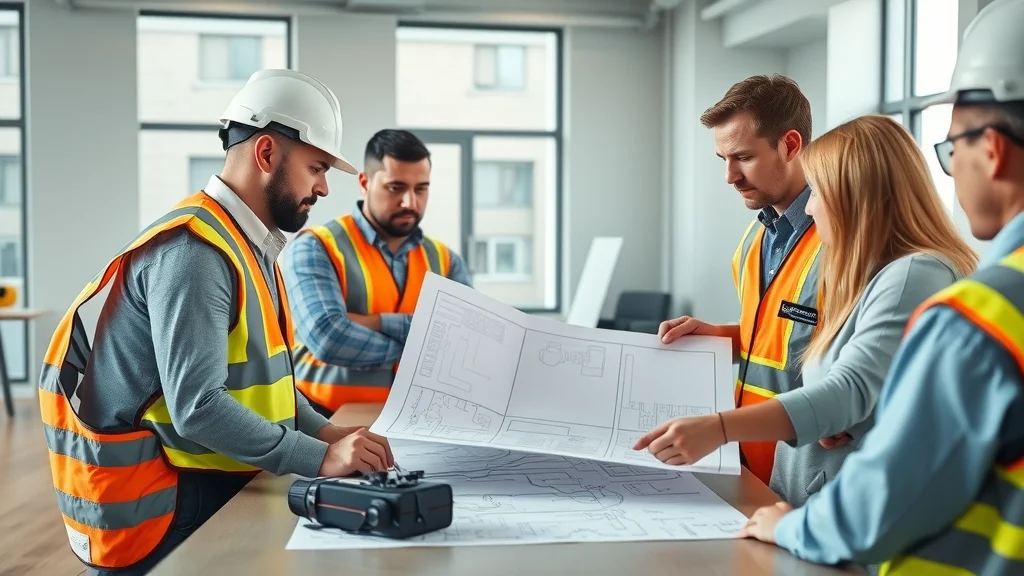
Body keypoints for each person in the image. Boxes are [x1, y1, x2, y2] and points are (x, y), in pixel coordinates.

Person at [38, 69, 394, 576]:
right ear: (267, 153)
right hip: (162, 505)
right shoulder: (197, 253)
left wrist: (328, 434)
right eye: (317, 168)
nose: (322, 188)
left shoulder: (246, 243)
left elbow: (263, 384)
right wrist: (317, 460)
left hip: (205, 475)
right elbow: (198, 408)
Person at [737, 2, 1024, 574]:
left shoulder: (982, 314)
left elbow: (876, 512)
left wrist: (788, 524)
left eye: (950, 150)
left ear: (990, 151)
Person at [635, 115, 977, 511]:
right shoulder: (869, 272)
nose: (810, 209)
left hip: (843, 513)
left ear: (854, 198)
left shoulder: (913, 274)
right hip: (798, 497)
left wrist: (719, 427)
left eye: (819, 193)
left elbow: (849, 391)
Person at [656, 74, 824, 485]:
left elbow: (852, 368)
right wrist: (717, 335)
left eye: (743, 158)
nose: (729, 176)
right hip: (745, 466)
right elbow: (779, 337)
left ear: (789, 145)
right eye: (723, 160)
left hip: (807, 474)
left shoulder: (841, 241)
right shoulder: (754, 237)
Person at [283, 128, 472, 417]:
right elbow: (329, 338)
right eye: (396, 188)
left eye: (421, 188)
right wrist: (428, 348)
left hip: (417, 422)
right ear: (365, 182)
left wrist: (373, 322)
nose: (410, 202)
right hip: (322, 423)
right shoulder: (317, 247)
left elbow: (466, 347)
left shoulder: (447, 261)